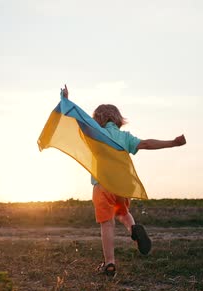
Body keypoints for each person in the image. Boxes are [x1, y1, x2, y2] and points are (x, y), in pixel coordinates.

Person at [61, 85, 186, 277]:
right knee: (123, 212)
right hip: (121, 187)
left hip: (102, 186)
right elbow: (146, 143)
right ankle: (133, 227)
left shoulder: (95, 132)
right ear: (118, 119)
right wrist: (172, 142)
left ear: (98, 119)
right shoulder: (124, 136)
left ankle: (109, 263)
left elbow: (78, 120)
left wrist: (66, 100)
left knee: (107, 224)